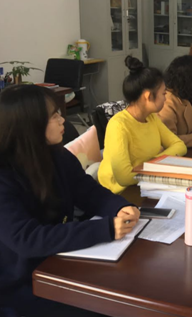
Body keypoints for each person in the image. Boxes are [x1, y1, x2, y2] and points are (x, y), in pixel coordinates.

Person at [0, 85, 140, 317]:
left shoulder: (57, 155)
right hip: (22, 284)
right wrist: (104, 229)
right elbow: (28, 239)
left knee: (129, 283)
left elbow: (89, 192)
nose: (62, 120)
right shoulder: (5, 175)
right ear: (30, 125)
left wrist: (120, 206)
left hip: (61, 261)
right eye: (54, 115)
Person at [98, 56, 186, 194]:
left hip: (145, 183)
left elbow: (179, 146)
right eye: (163, 94)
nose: (166, 98)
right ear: (148, 96)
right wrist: (158, 163)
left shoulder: (151, 118)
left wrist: (153, 163)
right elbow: (124, 177)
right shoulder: (118, 125)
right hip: (121, 192)